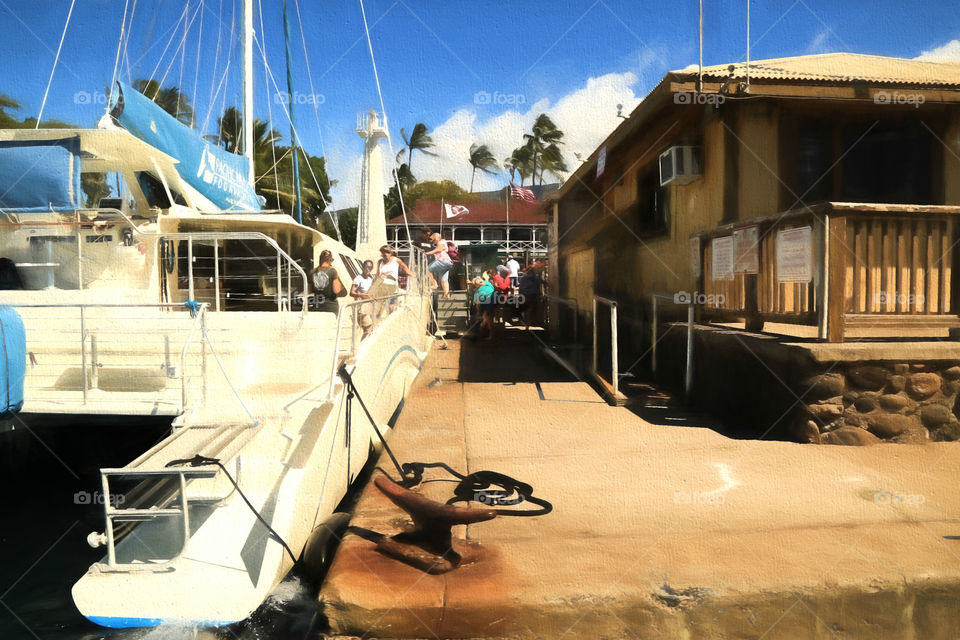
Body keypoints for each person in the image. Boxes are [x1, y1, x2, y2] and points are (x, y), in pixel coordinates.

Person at [311, 249, 343, 314]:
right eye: (332, 260)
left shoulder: (312, 272)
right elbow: (336, 290)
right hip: (330, 306)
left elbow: (309, 290)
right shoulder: (332, 271)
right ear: (330, 260)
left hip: (317, 305)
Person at [350, 260, 375, 339]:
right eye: (366, 267)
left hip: (369, 308)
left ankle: (361, 348)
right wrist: (361, 295)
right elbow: (351, 293)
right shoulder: (358, 279)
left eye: (370, 268)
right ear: (362, 267)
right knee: (368, 329)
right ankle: (361, 349)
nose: (368, 269)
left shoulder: (370, 280)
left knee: (370, 330)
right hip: (361, 308)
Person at [425, 232, 454, 299]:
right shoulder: (444, 242)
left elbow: (438, 249)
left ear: (437, 238)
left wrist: (427, 253)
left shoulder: (440, 242)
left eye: (434, 240)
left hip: (443, 261)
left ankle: (434, 284)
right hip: (448, 263)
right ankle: (446, 294)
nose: (434, 242)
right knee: (444, 280)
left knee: (427, 269)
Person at [517, 262, 543, 330]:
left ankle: (527, 324)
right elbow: (538, 285)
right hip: (533, 296)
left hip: (526, 296)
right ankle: (529, 323)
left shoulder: (524, 278)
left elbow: (521, 288)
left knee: (527, 311)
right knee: (530, 311)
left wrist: (520, 295)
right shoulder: (535, 278)